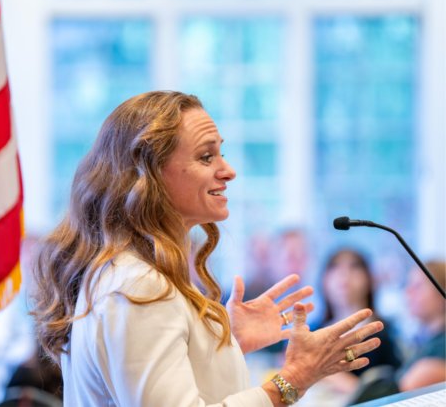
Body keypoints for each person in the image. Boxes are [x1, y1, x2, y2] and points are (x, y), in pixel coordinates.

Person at [32, 91, 384, 406]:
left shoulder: (129, 273)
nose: (228, 171)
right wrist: (294, 379)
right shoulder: (138, 286)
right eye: (205, 157)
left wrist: (221, 343)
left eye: (221, 154)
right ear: (149, 174)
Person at [313, 248, 402, 399]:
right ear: (324, 280)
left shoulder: (382, 334)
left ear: (369, 279)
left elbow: (388, 392)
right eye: (335, 267)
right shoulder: (313, 329)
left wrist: (323, 373)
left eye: (354, 267)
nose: (344, 275)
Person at [397, 260, 446, 391]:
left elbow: (400, 390)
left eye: (418, 286)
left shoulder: (441, 348)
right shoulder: (425, 342)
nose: (408, 292)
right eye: (409, 285)